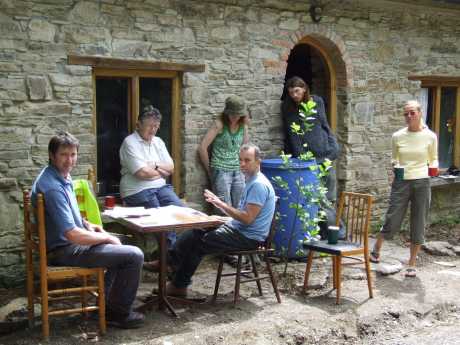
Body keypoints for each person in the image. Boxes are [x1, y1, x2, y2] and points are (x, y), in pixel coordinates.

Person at [31, 132, 145, 329]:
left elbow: (67, 217)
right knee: (133, 255)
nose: (70, 160)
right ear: (52, 155)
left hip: (67, 243)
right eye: (64, 155)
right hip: (65, 250)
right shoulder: (52, 188)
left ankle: (107, 307)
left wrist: (87, 224)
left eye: (73, 154)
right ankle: (118, 314)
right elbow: (71, 234)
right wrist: (106, 238)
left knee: (125, 245)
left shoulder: (58, 176)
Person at [165, 143, 276, 296]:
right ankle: (169, 263)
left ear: (258, 161)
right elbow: (244, 217)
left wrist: (221, 205)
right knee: (198, 229)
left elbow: (248, 219)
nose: (242, 164)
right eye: (240, 160)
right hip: (240, 230)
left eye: (247, 160)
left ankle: (178, 285)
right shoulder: (251, 180)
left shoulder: (258, 185)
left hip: (249, 237)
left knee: (199, 244)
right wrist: (222, 218)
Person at [370, 100, 438, 278]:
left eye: (412, 112)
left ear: (420, 113)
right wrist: (397, 169)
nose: (409, 116)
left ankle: (412, 263)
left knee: (419, 221)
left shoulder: (430, 136)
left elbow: (434, 158)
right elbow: (394, 159)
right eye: (406, 113)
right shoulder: (398, 136)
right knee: (393, 217)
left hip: (422, 182)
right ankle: (377, 248)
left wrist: (433, 169)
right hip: (402, 182)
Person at [119, 105, 183, 257]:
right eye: (149, 126)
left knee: (181, 212)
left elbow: (171, 167)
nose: (153, 130)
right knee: (160, 221)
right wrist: (160, 172)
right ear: (138, 124)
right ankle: (169, 263)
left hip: (161, 188)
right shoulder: (130, 142)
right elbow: (141, 173)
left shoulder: (158, 142)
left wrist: (154, 166)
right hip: (136, 190)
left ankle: (164, 259)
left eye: (156, 126)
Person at [282, 76, 339, 202]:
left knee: (330, 196)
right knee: (313, 196)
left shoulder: (317, 101)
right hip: (309, 159)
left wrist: (334, 146)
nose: (294, 95)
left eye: (297, 91)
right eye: (291, 92)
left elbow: (324, 124)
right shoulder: (289, 108)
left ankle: (330, 221)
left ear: (304, 89)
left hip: (326, 153)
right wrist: (303, 158)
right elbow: (293, 136)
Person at [198, 95, 249, 210]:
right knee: (223, 208)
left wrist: (245, 169)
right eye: (232, 114)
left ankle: (237, 228)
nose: (235, 117)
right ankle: (222, 228)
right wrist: (210, 170)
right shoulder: (219, 124)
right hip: (220, 169)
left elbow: (245, 148)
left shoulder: (243, 126)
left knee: (240, 206)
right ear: (227, 113)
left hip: (238, 170)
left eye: (238, 114)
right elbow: (202, 148)